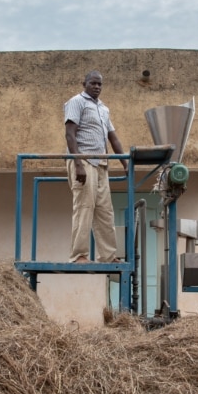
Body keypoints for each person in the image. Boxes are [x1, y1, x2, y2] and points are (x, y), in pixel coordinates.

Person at [64, 70, 128, 264]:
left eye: (100, 84)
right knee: (84, 206)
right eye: (93, 83)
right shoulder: (76, 102)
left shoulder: (103, 108)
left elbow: (113, 138)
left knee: (105, 210)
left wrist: (126, 164)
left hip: (101, 163)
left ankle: (108, 256)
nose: (97, 87)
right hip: (83, 160)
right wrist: (78, 163)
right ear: (84, 83)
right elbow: (69, 134)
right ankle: (78, 255)